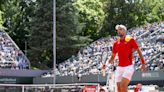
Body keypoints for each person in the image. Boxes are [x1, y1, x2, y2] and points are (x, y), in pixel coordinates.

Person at [102, 24, 146, 92]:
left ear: (125, 31)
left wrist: (143, 63)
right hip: (119, 68)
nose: (119, 31)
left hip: (128, 67)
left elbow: (138, 51)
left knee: (123, 86)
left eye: (120, 29)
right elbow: (112, 57)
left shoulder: (130, 40)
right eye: (118, 30)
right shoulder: (116, 43)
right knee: (119, 89)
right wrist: (106, 64)